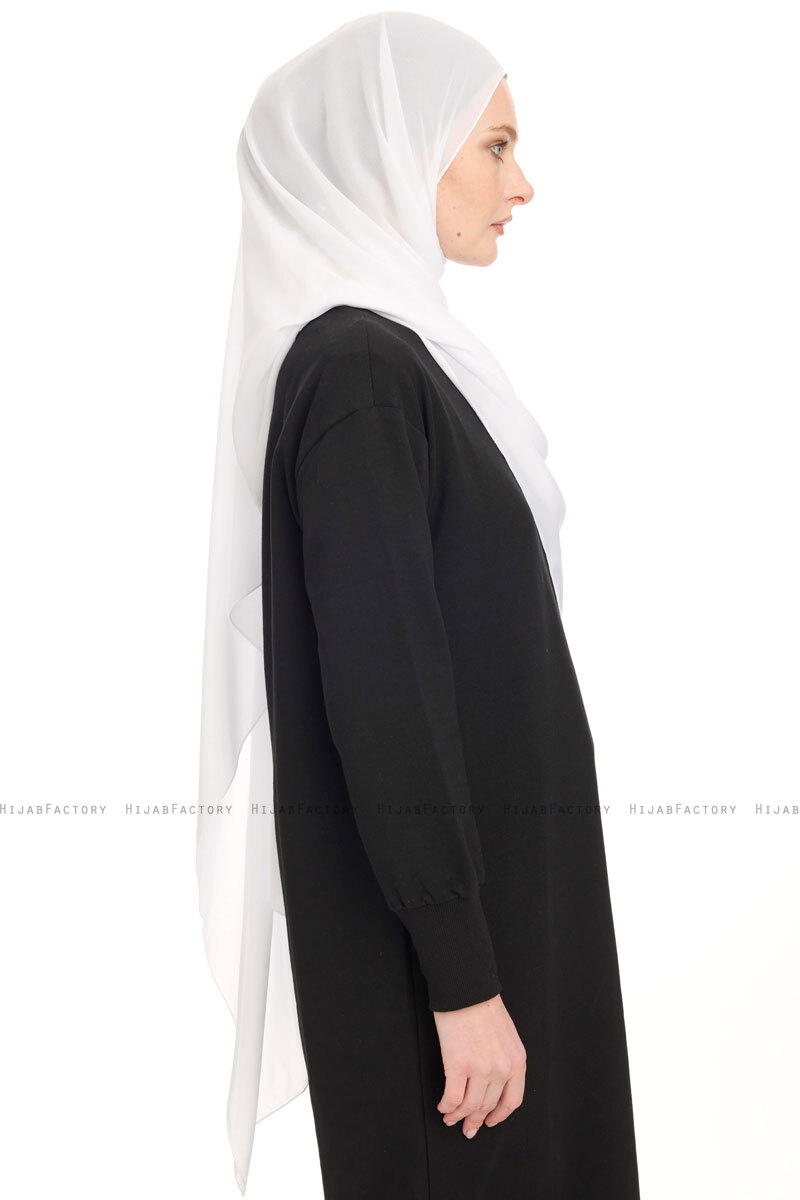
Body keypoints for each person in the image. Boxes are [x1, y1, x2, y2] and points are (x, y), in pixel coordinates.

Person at [197, 13, 641, 1198]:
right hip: (447, 985)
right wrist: (460, 978)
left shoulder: (405, 368)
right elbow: (383, 688)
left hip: (503, 941)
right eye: (493, 146)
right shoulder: (357, 375)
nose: (521, 184)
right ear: (391, 149)